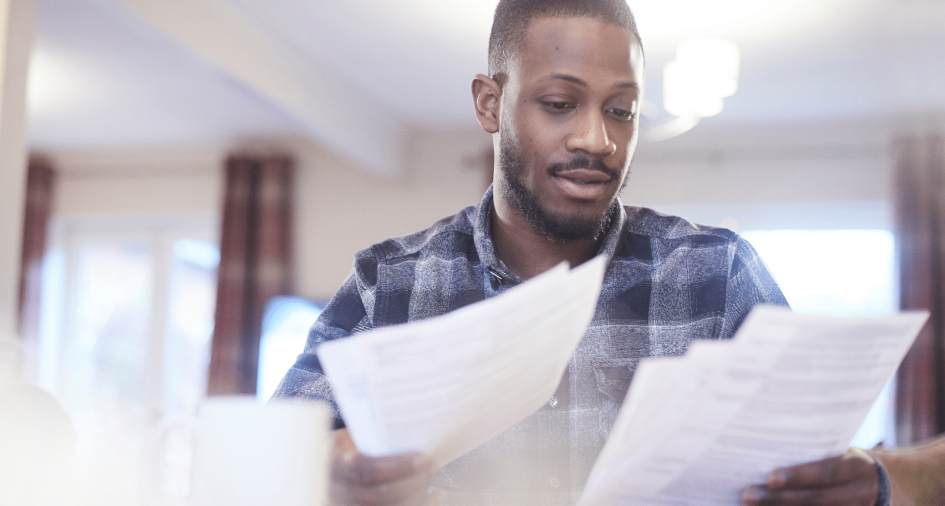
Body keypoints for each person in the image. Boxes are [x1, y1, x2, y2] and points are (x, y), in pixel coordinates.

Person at [273, 0, 891, 504]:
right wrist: (329, 476)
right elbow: (273, 467)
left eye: (621, 111)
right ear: (491, 104)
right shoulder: (390, 285)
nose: (598, 140)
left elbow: (814, 476)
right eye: (560, 104)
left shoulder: (720, 273)